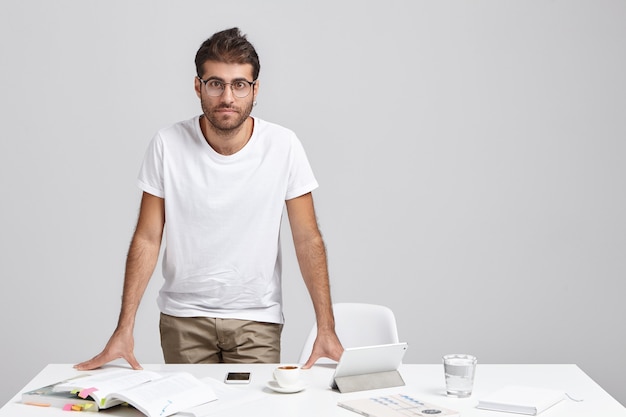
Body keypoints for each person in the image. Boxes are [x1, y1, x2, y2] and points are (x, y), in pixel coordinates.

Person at [76, 27, 343, 371]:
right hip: (183, 319)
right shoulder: (167, 144)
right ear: (198, 86)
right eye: (216, 83)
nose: (227, 97)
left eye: (239, 84)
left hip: (256, 320)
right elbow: (147, 237)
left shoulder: (283, 145)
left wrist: (327, 327)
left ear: (255, 89)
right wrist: (123, 328)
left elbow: (307, 238)